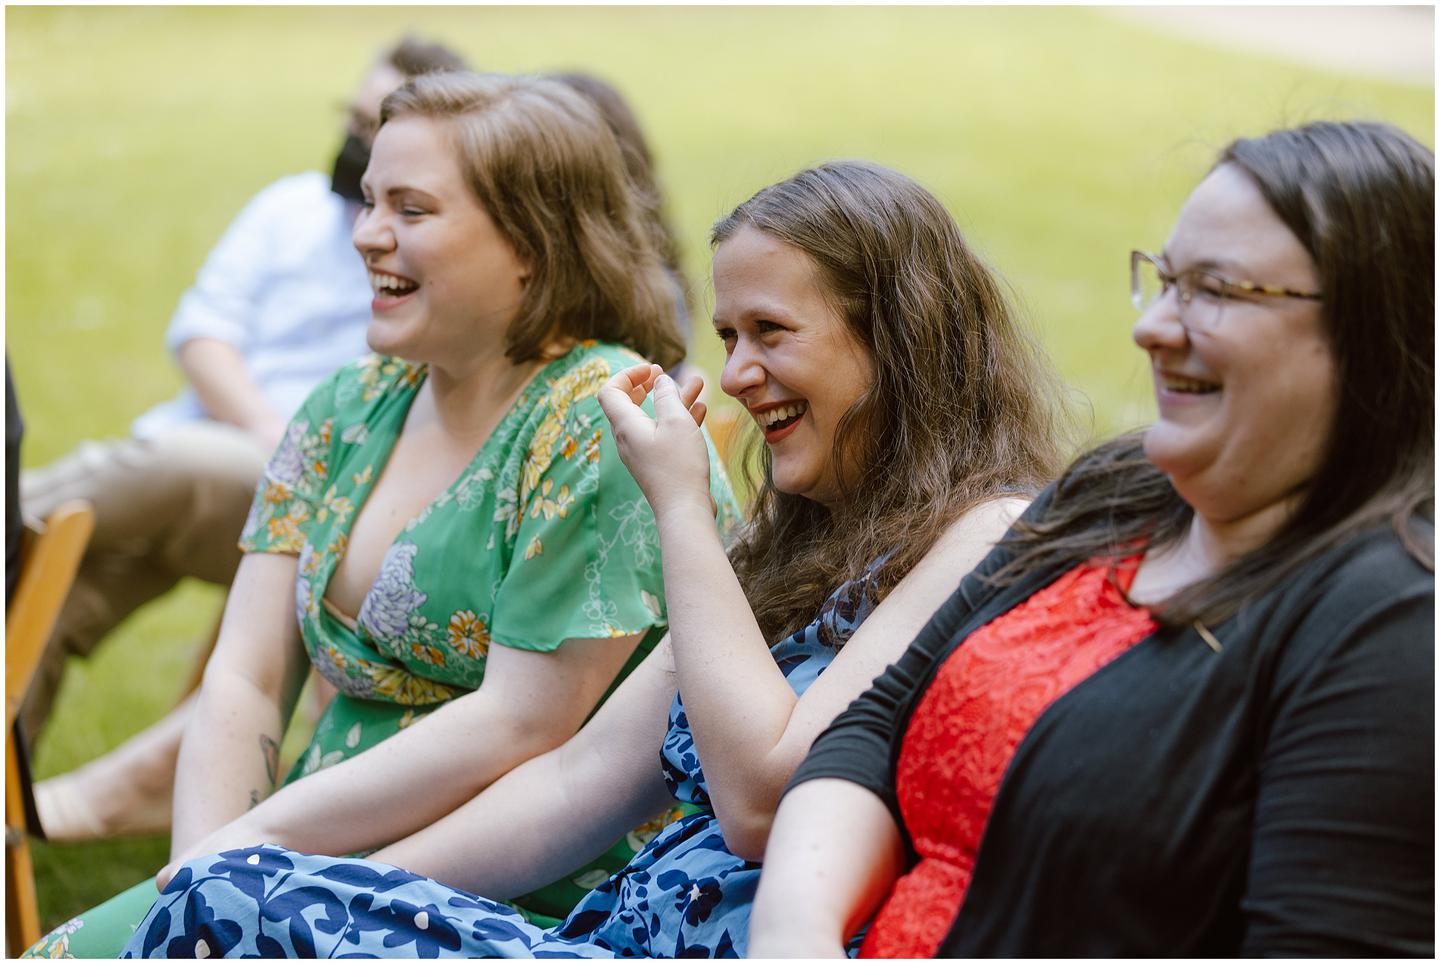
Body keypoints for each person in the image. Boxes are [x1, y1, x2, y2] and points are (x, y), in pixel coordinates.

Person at [119, 159, 1068, 958]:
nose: (736, 372)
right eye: (729, 336)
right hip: (604, 936)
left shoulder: (983, 533)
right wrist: (300, 873)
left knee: (227, 910)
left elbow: (762, 799)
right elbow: (578, 786)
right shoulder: (805, 543)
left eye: (771, 332)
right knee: (233, 898)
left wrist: (681, 510)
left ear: (897, 338)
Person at [24, 71, 739, 959]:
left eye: (411, 209)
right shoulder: (348, 406)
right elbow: (245, 674)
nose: (366, 235)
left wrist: (258, 864)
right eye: (368, 202)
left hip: (513, 888)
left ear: (529, 241)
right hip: (295, 861)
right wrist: (197, 881)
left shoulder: (600, 419)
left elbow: (523, 724)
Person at [751, 120, 1435, 958]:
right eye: (1167, 281)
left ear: (1370, 331)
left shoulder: (1389, 622)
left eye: (1216, 290)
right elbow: (877, 725)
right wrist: (796, 932)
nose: (1153, 329)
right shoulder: (1116, 493)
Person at [23, 36, 469, 844]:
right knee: (43, 592)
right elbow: (202, 333)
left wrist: (287, 450)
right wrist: (267, 433)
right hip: (223, 462)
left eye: (381, 125)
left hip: (300, 489)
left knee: (177, 462)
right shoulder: (289, 207)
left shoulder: (427, 254)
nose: (357, 139)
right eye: (354, 118)